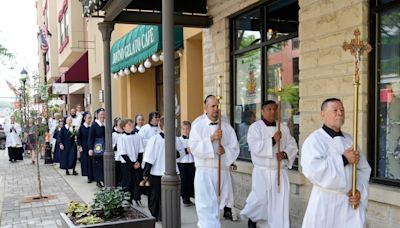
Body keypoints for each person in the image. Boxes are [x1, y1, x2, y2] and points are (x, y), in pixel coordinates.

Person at [301, 98, 371, 228]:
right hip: (325, 203)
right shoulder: (315, 140)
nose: (340, 113)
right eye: (335, 110)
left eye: (342, 110)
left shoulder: (350, 140)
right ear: (323, 114)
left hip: (348, 205)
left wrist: (359, 190)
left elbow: (362, 170)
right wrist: (343, 159)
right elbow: (313, 169)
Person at [240, 100, 298, 228]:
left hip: (279, 172)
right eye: (269, 109)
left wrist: (284, 154)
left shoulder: (283, 127)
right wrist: (272, 140)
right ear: (262, 111)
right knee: (260, 199)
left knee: (279, 203)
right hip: (263, 171)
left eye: (274, 109)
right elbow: (254, 146)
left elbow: (292, 145)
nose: (272, 112)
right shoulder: (255, 127)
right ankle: (254, 218)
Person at [189, 95, 240, 228]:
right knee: (206, 207)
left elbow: (235, 148)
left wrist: (225, 151)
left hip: (221, 172)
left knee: (217, 207)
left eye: (217, 106)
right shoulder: (198, 126)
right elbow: (193, 147)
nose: (215, 109)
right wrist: (211, 139)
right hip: (205, 172)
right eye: (212, 106)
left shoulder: (227, 127)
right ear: (205, 108)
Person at [142, 116, 184, 221]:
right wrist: (146, 173)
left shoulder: (175, 139)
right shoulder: (155, 139)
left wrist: (175, 153)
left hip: (172, 172)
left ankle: (169, 215)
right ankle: (156, 215)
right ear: (162, 126)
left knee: (171, 197)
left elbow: (181, 153)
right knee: (155, 196)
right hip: (156, 172)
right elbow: (149, 157)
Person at [117, 118, 145, 206]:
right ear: (124, 127)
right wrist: (132, 164)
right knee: (128, 182)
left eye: (131, 124)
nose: (131, 126)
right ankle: (128, 199)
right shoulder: (121, 138)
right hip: (127, 163)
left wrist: (138, 162)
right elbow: (123, 153)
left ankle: (137, 198)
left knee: (137, 181)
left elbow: (141, 150)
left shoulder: (137, 136)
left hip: (136, 163)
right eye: (129, 124)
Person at [177, 121, 195, 207]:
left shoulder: (193, 139)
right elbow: (177, 153)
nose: (185, 130)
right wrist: (186, 150)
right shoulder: (178, 140)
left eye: (187, 128)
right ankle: (185, 198)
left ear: (190, 129)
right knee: (184, 181)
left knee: (191, 180)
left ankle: (190, 196)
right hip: (182, 163)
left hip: (191, 162)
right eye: (183, 129)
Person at [88, 108, 106, 187]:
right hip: (97, 146)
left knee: (103, 163)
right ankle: (98, 180)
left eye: (103, 114)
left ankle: (103, 179)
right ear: (97, 115)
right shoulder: (94, 125)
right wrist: (90, 148)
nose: (102, 116)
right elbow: (91, 137)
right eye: (101, 114)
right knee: (98, 163)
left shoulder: (105, 124)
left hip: (105, 146)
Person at [77, 112, 93, 183]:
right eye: (88, 118)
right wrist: (80, 146)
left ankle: (92, 176)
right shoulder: (81, 127)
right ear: (84, 118)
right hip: (84, 146)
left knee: (91, 161)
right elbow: (79, 138)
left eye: (90, 118)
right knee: (86, 162)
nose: (90, 119)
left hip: (91, 146)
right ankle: (88, 176)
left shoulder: (92, 127)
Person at [113, 117, 123, 186]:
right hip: (117, 157)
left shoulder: (126, 134)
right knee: (117, 173)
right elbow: (112, 146)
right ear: (116, 126)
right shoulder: (113, 134)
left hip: (125, 158)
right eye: (119, 125)